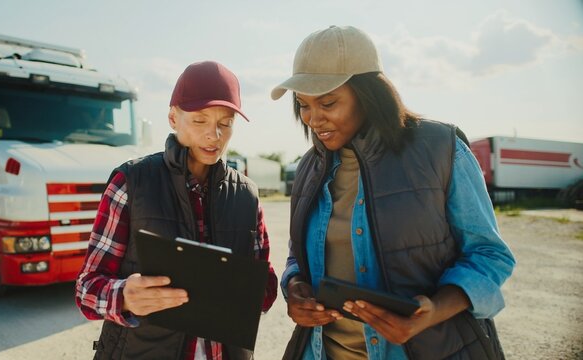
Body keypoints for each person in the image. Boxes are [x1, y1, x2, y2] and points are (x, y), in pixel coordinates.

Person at [271, 26, 515, 360]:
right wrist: (295, 287)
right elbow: (297, 257)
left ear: (369, 94)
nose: (313, 119)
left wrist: (434, 310)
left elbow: (489, 255)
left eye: (328, 102)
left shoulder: (441, 149)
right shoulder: (307, 170)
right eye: (303, 105)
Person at [76, 61, 278, 360]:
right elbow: (87, 289)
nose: (215, 135)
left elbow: (264, 287)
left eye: (226, 122)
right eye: (200, 120)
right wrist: (124, 296)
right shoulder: (131, 181)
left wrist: (254, 290)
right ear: (173, 117)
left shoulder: (247, 194)